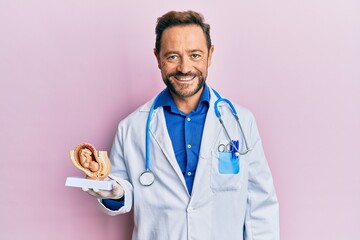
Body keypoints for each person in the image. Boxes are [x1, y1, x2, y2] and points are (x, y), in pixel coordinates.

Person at [83, 10, 280, 240]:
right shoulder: (132, 128)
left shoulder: (240, 122)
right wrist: (112, 191)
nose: (185, 68)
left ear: (210, 54)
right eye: (173, 56)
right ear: (157, 58)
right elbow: (121, 191)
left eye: (195, 55)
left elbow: (260, 205)